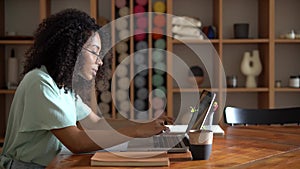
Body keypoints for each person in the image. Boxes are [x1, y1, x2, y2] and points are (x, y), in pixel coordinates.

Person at [0, 8, 172, 169]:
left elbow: (94, 122)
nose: (100, 61)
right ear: (71, 50)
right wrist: (136, 131)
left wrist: (144, 122)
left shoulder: (63, 86)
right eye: (94, 52)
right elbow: (76, 142)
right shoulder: (40, 82)